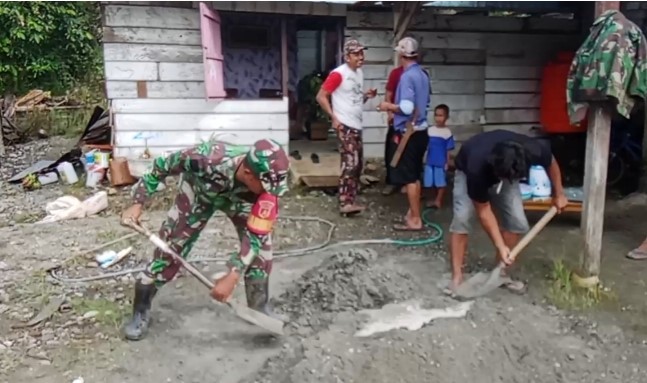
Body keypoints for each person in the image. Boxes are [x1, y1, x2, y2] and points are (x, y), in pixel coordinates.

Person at [119, 138, 290, 341]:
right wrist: (138, 202)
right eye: (265, 186)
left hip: (241, 202)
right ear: (248, 173)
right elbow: (161, 166)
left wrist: (233, 274)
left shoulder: (267, 192)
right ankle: (140, 312)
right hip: (199, 193)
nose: (269, 193)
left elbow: (256, 236)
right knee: (170, 251)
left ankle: (259, 308)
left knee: (261, 254)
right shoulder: (205, 158)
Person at [448, 129, 569, 294]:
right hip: (467, 171)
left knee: (516, 222)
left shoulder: (531, 149)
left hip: (506, 171)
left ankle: (500, 273)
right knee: (462, 218)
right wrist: (500, 245)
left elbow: (551, 162)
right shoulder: (476, 167)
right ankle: (457, 277)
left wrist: (559, 193)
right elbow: (484, 211)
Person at [316, 39, 377, 216]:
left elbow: (354, 98)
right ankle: (345, 202)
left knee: (358, 164)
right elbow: (321, 96)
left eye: (362, 53)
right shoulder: (338, 74)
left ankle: (351, 198)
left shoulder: (359, 73)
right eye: (357, 54)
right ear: (347, 56)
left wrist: (366, 96)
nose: (361, 57)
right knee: (350, 163)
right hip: (345, 124)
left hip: (357, 124)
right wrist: (334, 118)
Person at [377, 37, 430, 231]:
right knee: (415, 173)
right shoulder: (423, 74)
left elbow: (406, 108)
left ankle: (415, 219)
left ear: (401, 54)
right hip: (422, 129)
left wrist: (386, 106)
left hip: (409, 132)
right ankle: (412, 212)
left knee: (409, 177)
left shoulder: (407, 76)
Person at [424, 104, 455, 209]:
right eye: (436, 115)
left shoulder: (447, 132)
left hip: (440, 161)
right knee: (430, 181)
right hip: (430, 160)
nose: (438, 118)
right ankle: (434, 198)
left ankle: (438, 200)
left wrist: (447, 162)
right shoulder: (430, 130)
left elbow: (448, 150)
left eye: (441, 115)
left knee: (440, 181)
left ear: (446, 117)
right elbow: (426, 145)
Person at [382, 64, 405, 196]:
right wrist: (390, 113)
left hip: (412, 121)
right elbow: (389, 94)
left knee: (408, 153)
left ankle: (407, 181)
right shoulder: (396, 73)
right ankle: (392, 181)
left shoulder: (420, 74)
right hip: (397, 119)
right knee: (392, 150)